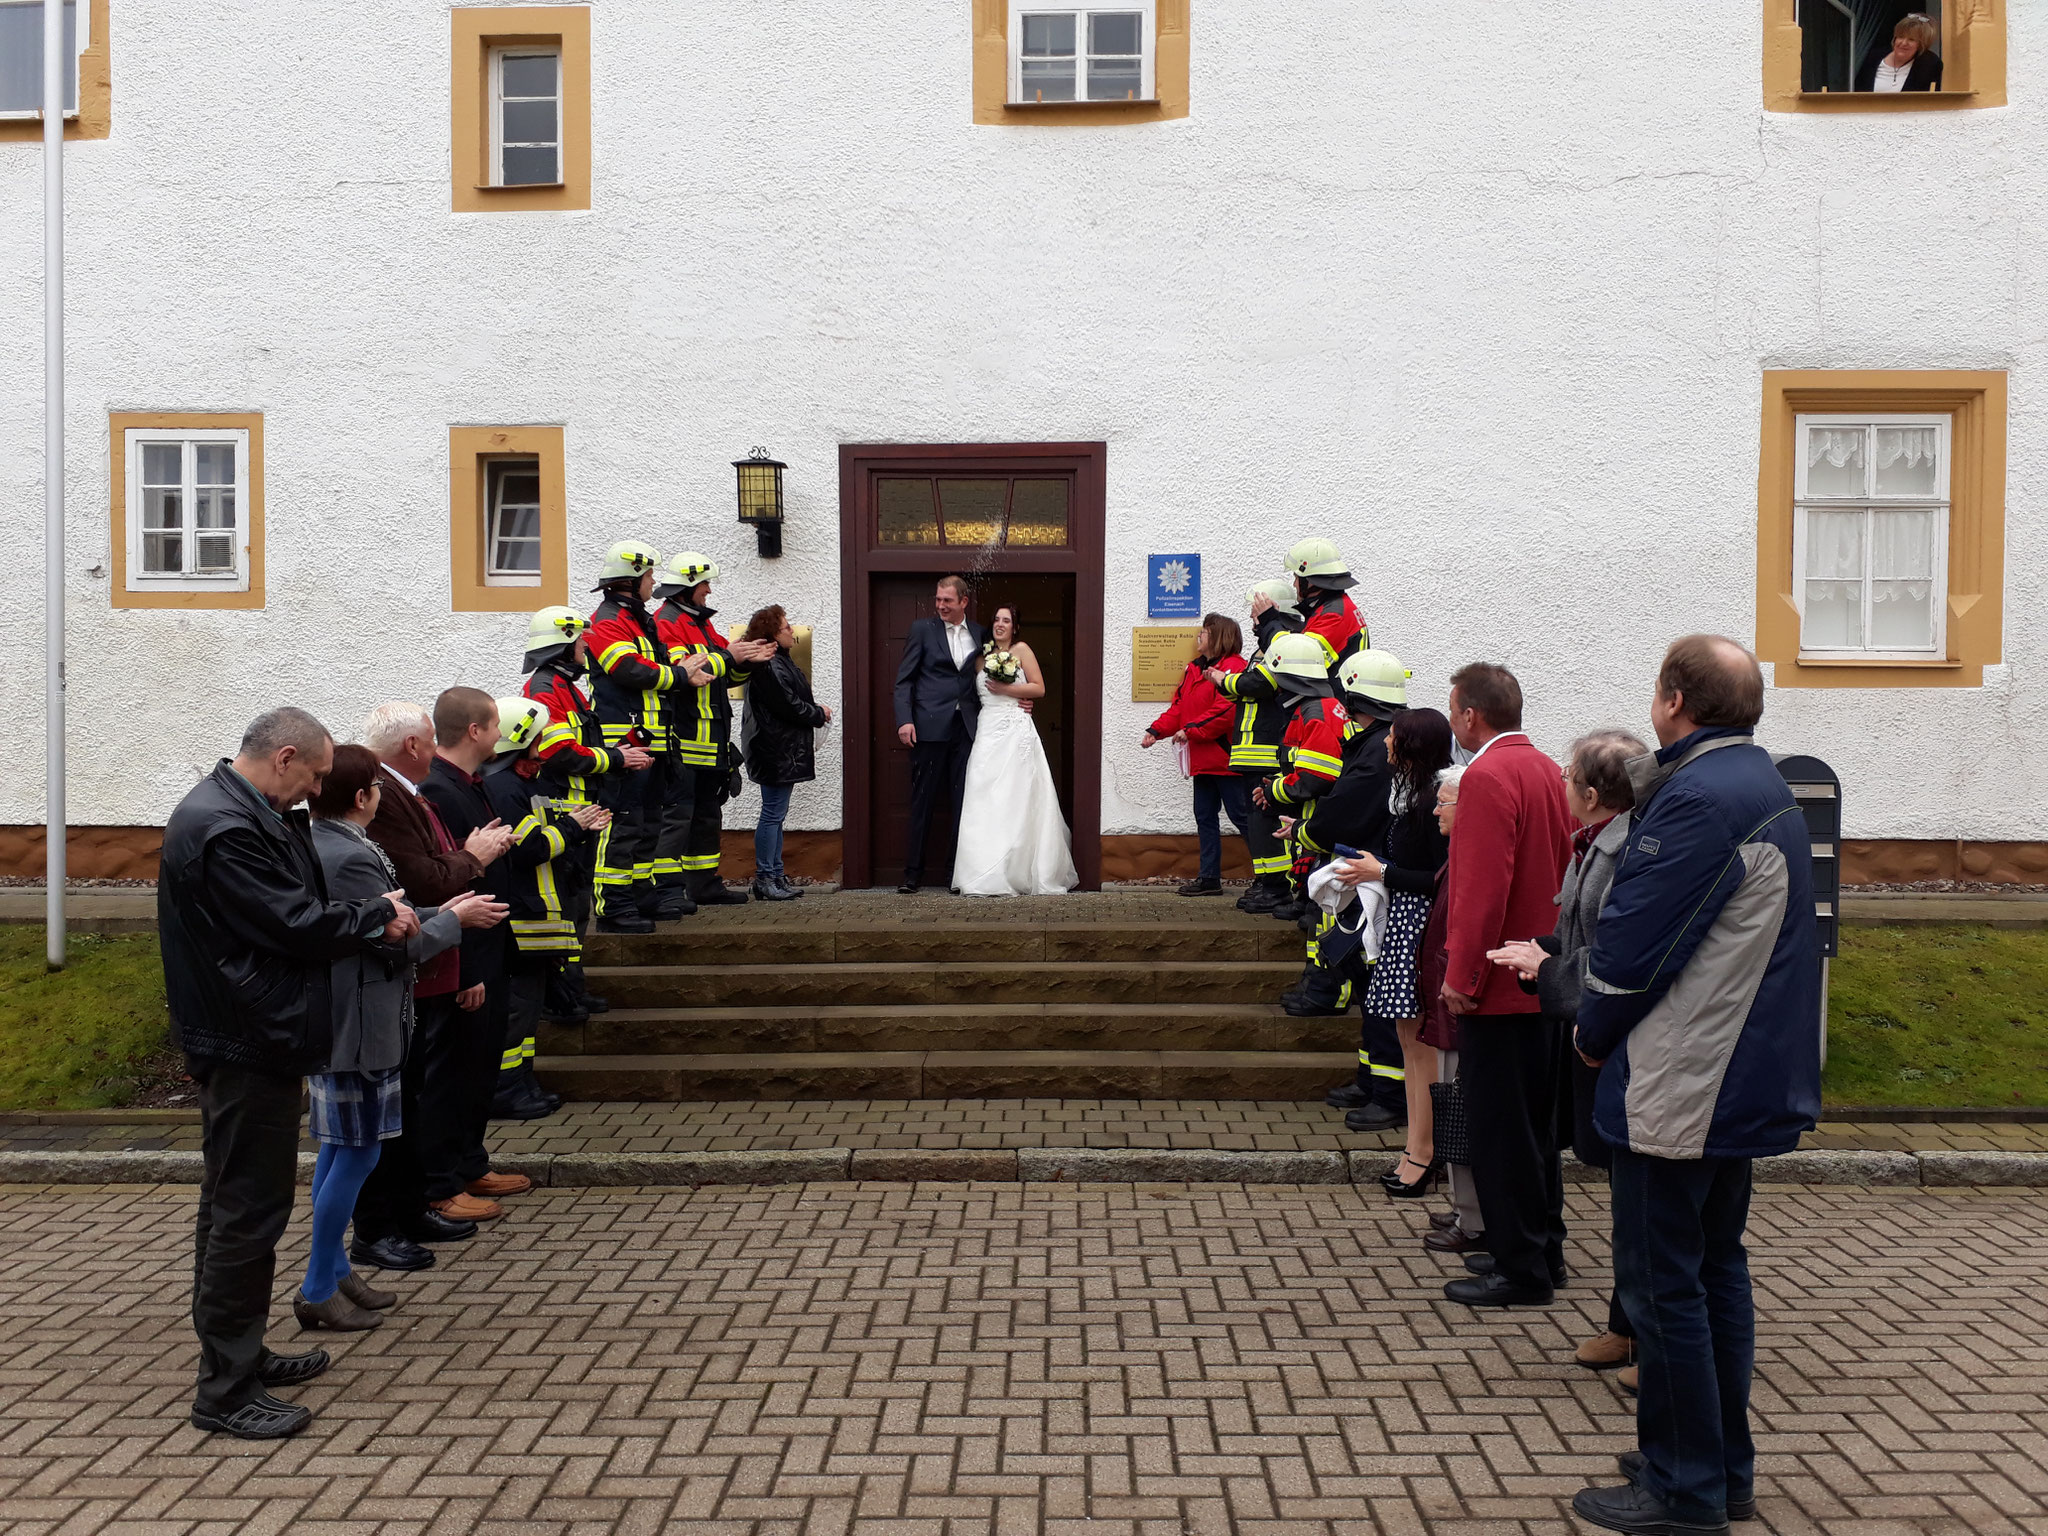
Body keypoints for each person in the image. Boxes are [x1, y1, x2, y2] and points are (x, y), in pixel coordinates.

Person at [1569, 637, 1820, 1536]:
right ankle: (1720, 1467)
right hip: (1732, 1073)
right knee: (1714, 1272)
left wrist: (1592, 1038)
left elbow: (1632, 955)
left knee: (1662, 1285)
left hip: (1684, 1079)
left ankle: (1684, 1488)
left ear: (1675, 700)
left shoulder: (1699, 800)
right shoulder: (1760, 784)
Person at [158, 707, 414, 1439]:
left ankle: (240, 1354)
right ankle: (225, 1390)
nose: (317, 791)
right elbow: (292, 922)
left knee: (235, 1203)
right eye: (316, 776)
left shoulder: (238, 812)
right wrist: (374, 917)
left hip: (251, 1031)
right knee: (249, 1211)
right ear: (286, 757)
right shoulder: (225, 827)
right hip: (244, 1039)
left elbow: (289, 910)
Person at [304, 745, 503, 1330]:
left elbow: (390, 918)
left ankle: (335, 1269)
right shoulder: (347, 854)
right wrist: (452, 921)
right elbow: (395, 941)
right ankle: (319, 1281)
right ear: (364, 797)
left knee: (342, 1148)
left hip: (352, 1019)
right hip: (361, 1024)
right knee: (358, 1150)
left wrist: (432, 911)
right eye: (377, 787)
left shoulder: (337, 844)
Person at [1488, 728, 1647, 1370]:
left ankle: (1647, 1338)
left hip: (1621, 1043)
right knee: (1626, 1194)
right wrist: (1543, 950)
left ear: (1589, 792)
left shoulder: (1628, 850)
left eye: (1566, 774)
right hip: (1591, 1031)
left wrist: (1548, 965)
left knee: (1640, 1201)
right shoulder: (1590, 844)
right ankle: (1627, 1320)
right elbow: (1575, 931)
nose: (1558, 782)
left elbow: (1618, 954)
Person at [1437, 662, 1574, 1308]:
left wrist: (1461, 974)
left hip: (1497, 980)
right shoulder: (1546, 768)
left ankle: (1520, 1268)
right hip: (1541, 971)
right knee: (1536, 1127)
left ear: (1470, 715)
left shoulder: (1486, 776)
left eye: (1455, 711)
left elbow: (1480, 890)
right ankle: (1544, 1245)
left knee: (1501, 1129)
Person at [358, 701, 512, 1259]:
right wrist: (472, 858)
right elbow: (419, 876)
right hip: (419, 962)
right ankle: (411, 1205)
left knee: (428, 1088)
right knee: (422, 1090)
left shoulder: (408, 790)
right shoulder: (386, 794)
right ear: (414, 747)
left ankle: (419, 1201)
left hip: (440, 952)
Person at [420, 688, 533, 1221]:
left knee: (480, 1065)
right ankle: (442, 1182)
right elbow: (440, 883)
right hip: (464, 956)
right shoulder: (437, 790)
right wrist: (460, 966)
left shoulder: (471, 784)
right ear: (475, 731)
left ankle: (470, 1162)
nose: (501, 735)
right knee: (453, 1071)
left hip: (491, 948)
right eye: (494, 726)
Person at [1327, 704, 1455, 1162]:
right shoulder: (1410, 794)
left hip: (1418, 926)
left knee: (1415, 1034)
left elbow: (1439, 877)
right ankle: (1416, 1145)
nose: (1384, 741)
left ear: (1411, 746)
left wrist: (1381, 871)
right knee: (1404, 1031)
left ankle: (1421, 1145)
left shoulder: (1429, 802)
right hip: (1405, 921)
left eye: (1393, 737)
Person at [522, 605, 651, 1022]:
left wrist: (622, 748)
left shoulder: (564, 686)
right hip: (564, 811)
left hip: (579, 809)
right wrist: (615, 758)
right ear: (561, 645)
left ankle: (569, 989)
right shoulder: (546, 689)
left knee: (576, 909)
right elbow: (557, 753)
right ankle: (559, 996)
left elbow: (577, 742)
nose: (585, 649)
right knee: (566, 909)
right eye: (579, 642)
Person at [482, 696, 608, 1118]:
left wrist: (573, 818)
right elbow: (528, 848)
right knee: (517, 1012)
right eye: (539, 735)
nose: (546, 742)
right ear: (521, 740)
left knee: (529, 1011)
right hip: (524, 915)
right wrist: (575, 826)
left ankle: (521, 1083)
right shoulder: (503, 788)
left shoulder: (523, 782)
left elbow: (541, 824)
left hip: (538, 914)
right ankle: (504, 1091)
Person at [1283, 650, 1406, 1020]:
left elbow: (1345, 810)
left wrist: (1307, 830)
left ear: (1353, 695)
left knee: (1352, 946)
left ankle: (1329, 995)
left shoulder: (1376, 749)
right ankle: (1324, 991)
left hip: (1364, 869)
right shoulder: (1380, 740)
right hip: (1373, 866)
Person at [653, 553, 775, 908]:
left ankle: (703, 885)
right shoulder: (667, 622)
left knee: (707, 816)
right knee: (677, 818)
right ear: (688, 586)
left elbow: (724, 673)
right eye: (704, 584)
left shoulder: (702, 624)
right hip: (682, 739)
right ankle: (667, 891)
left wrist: (747, 662)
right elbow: (687, 671)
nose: (708, 590)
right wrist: (730, 656)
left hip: (711, 742)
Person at [586, 540, 694, 931]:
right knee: (623, 823)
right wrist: (681, 675)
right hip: (624, 741)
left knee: (648, 821)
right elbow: (628, 670)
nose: (653, 583)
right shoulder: (608, 619)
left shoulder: (636, 618)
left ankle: (639, 893)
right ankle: (614, 905)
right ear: (631, 580)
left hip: (652, 739)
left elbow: (653, 667)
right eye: (649, 576)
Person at [953, 603, 1078, 896]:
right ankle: (980, 873)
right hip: (987, 729)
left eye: (1006, 620)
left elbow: (1038, 688)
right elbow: (969, 693)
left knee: (1015, 795)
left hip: (1015, 729)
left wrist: (1008, 691)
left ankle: (1016, 870)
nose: (1000, 624)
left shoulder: (1022, 650)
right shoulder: (981, 657)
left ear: (1015, 627)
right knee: (982, 794)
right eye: (996, 619)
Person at [1415, 767, 1486, 1254]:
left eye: (1445, 803)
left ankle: (1476, 1220)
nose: (1436, 810)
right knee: (1454, 1102)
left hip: (1458, 998)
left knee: (1461, 1106)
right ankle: (1466, 1209)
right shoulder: (1457, 853)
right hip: (1446, 995)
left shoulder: (1472, 858)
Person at [1208, 579, 1306, 913]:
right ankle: (1265, 881)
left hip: (1269, 750)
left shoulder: (1288, 643)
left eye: (1256, 614)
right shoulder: (1267, 646)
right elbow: (1247, 688)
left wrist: (1224, 680)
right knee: (1258, 820)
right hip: (1254, 751)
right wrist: (1234, 686)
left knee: (1269, 820)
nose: (1252, 621)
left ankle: (1277, 887)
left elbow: (1262, 682)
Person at [1141, 611, 1249, 896]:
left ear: (1218, 637)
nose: (1198, 637)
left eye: (1203, 632)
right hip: (1203, 761)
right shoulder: (1194, 670)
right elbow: (1180, 708)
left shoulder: (1235, 668)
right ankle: (1209, 878)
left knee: (1243, 818)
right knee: (1204, 816)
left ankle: (1272, 878)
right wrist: (1156, 730)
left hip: (1227, 761)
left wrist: (1191, 730)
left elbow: (1226, 711)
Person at [893, 575, 989, 893]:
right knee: (923, 802)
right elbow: (904, 680)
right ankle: (912, 874)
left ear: (963, 601)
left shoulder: (979, 634)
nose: (940, 606)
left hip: (966, 730)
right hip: (929, 728)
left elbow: (990, 679)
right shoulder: (923, 630)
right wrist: (904, 720)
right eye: (938, 600)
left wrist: (1021, 699)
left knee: (963, 802)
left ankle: (954, 874)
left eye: (947, 600)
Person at [739, 604, 831, 901]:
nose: (793, 630)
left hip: (777, 749)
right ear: (773, 636)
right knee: (772, 814)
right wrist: (818, 713)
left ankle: (775, 876)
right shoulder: (770, 665)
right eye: (786, 627)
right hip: (774, 750)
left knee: (775, 813)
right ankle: (766, 877)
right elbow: (788, 705)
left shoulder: (778, 661)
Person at [1257, 631, 1350, 923]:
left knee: (1317, 923)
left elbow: (1314, 778)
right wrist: (1275, 784)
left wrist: (1273, 792)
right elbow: (1299, 765)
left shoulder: (1316, 714)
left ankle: (1312, 911)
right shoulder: (1311, 709)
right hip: (1316, 815)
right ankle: (1306, 901)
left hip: (1321, 814)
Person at [1284, 537, 1368, 677]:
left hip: (1338, 696)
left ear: (1309, 581)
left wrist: (1270, 626)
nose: (1294, 584)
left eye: (1297, 578)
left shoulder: (1333, 615)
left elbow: (1300, 661)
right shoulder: (1334, 606)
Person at [1855, 11, 1942, 91]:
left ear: (1921, 44)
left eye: (1911, 39)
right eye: (1900, 36)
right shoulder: (1872, 57)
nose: (1903, 43)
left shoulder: (1929, 64)